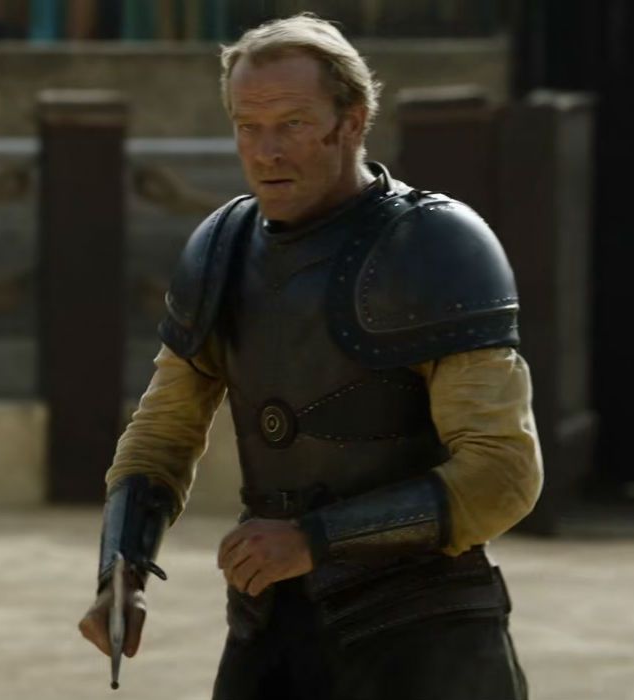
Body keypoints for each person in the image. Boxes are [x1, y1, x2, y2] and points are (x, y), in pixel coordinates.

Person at [78, 13, 541, 700]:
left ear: (351, 122)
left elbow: (503, 474)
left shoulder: (434, 246)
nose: (266, 151)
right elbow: (162, 433)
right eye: (248, 126)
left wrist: (314, 538)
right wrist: (122, 568)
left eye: (292, 124)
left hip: (422, 634)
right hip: (272, 630)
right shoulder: (223, 249)